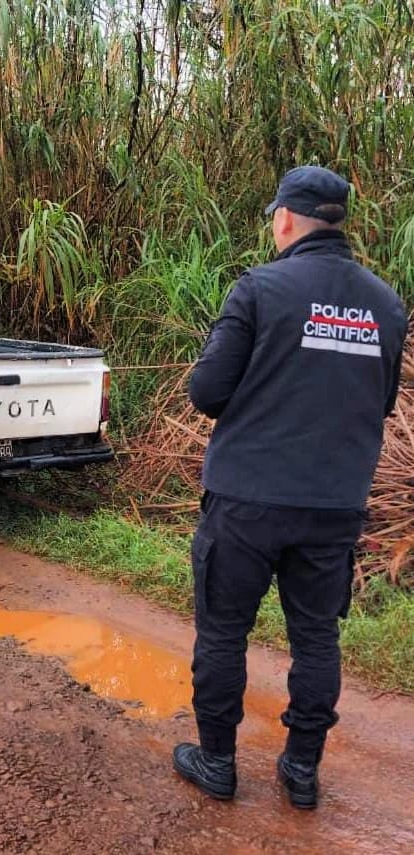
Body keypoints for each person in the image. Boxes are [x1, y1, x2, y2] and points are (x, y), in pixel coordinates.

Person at [172, 165, 408, 808]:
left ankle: (216, 761)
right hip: (333, 504)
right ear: (341, 222)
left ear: (283, 219)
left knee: (223, 631)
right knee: (316, 637)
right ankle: (301, 769)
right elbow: (382, 401)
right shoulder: (386, 304)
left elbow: (206, 393)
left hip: (247, 501)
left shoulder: (260, 289)